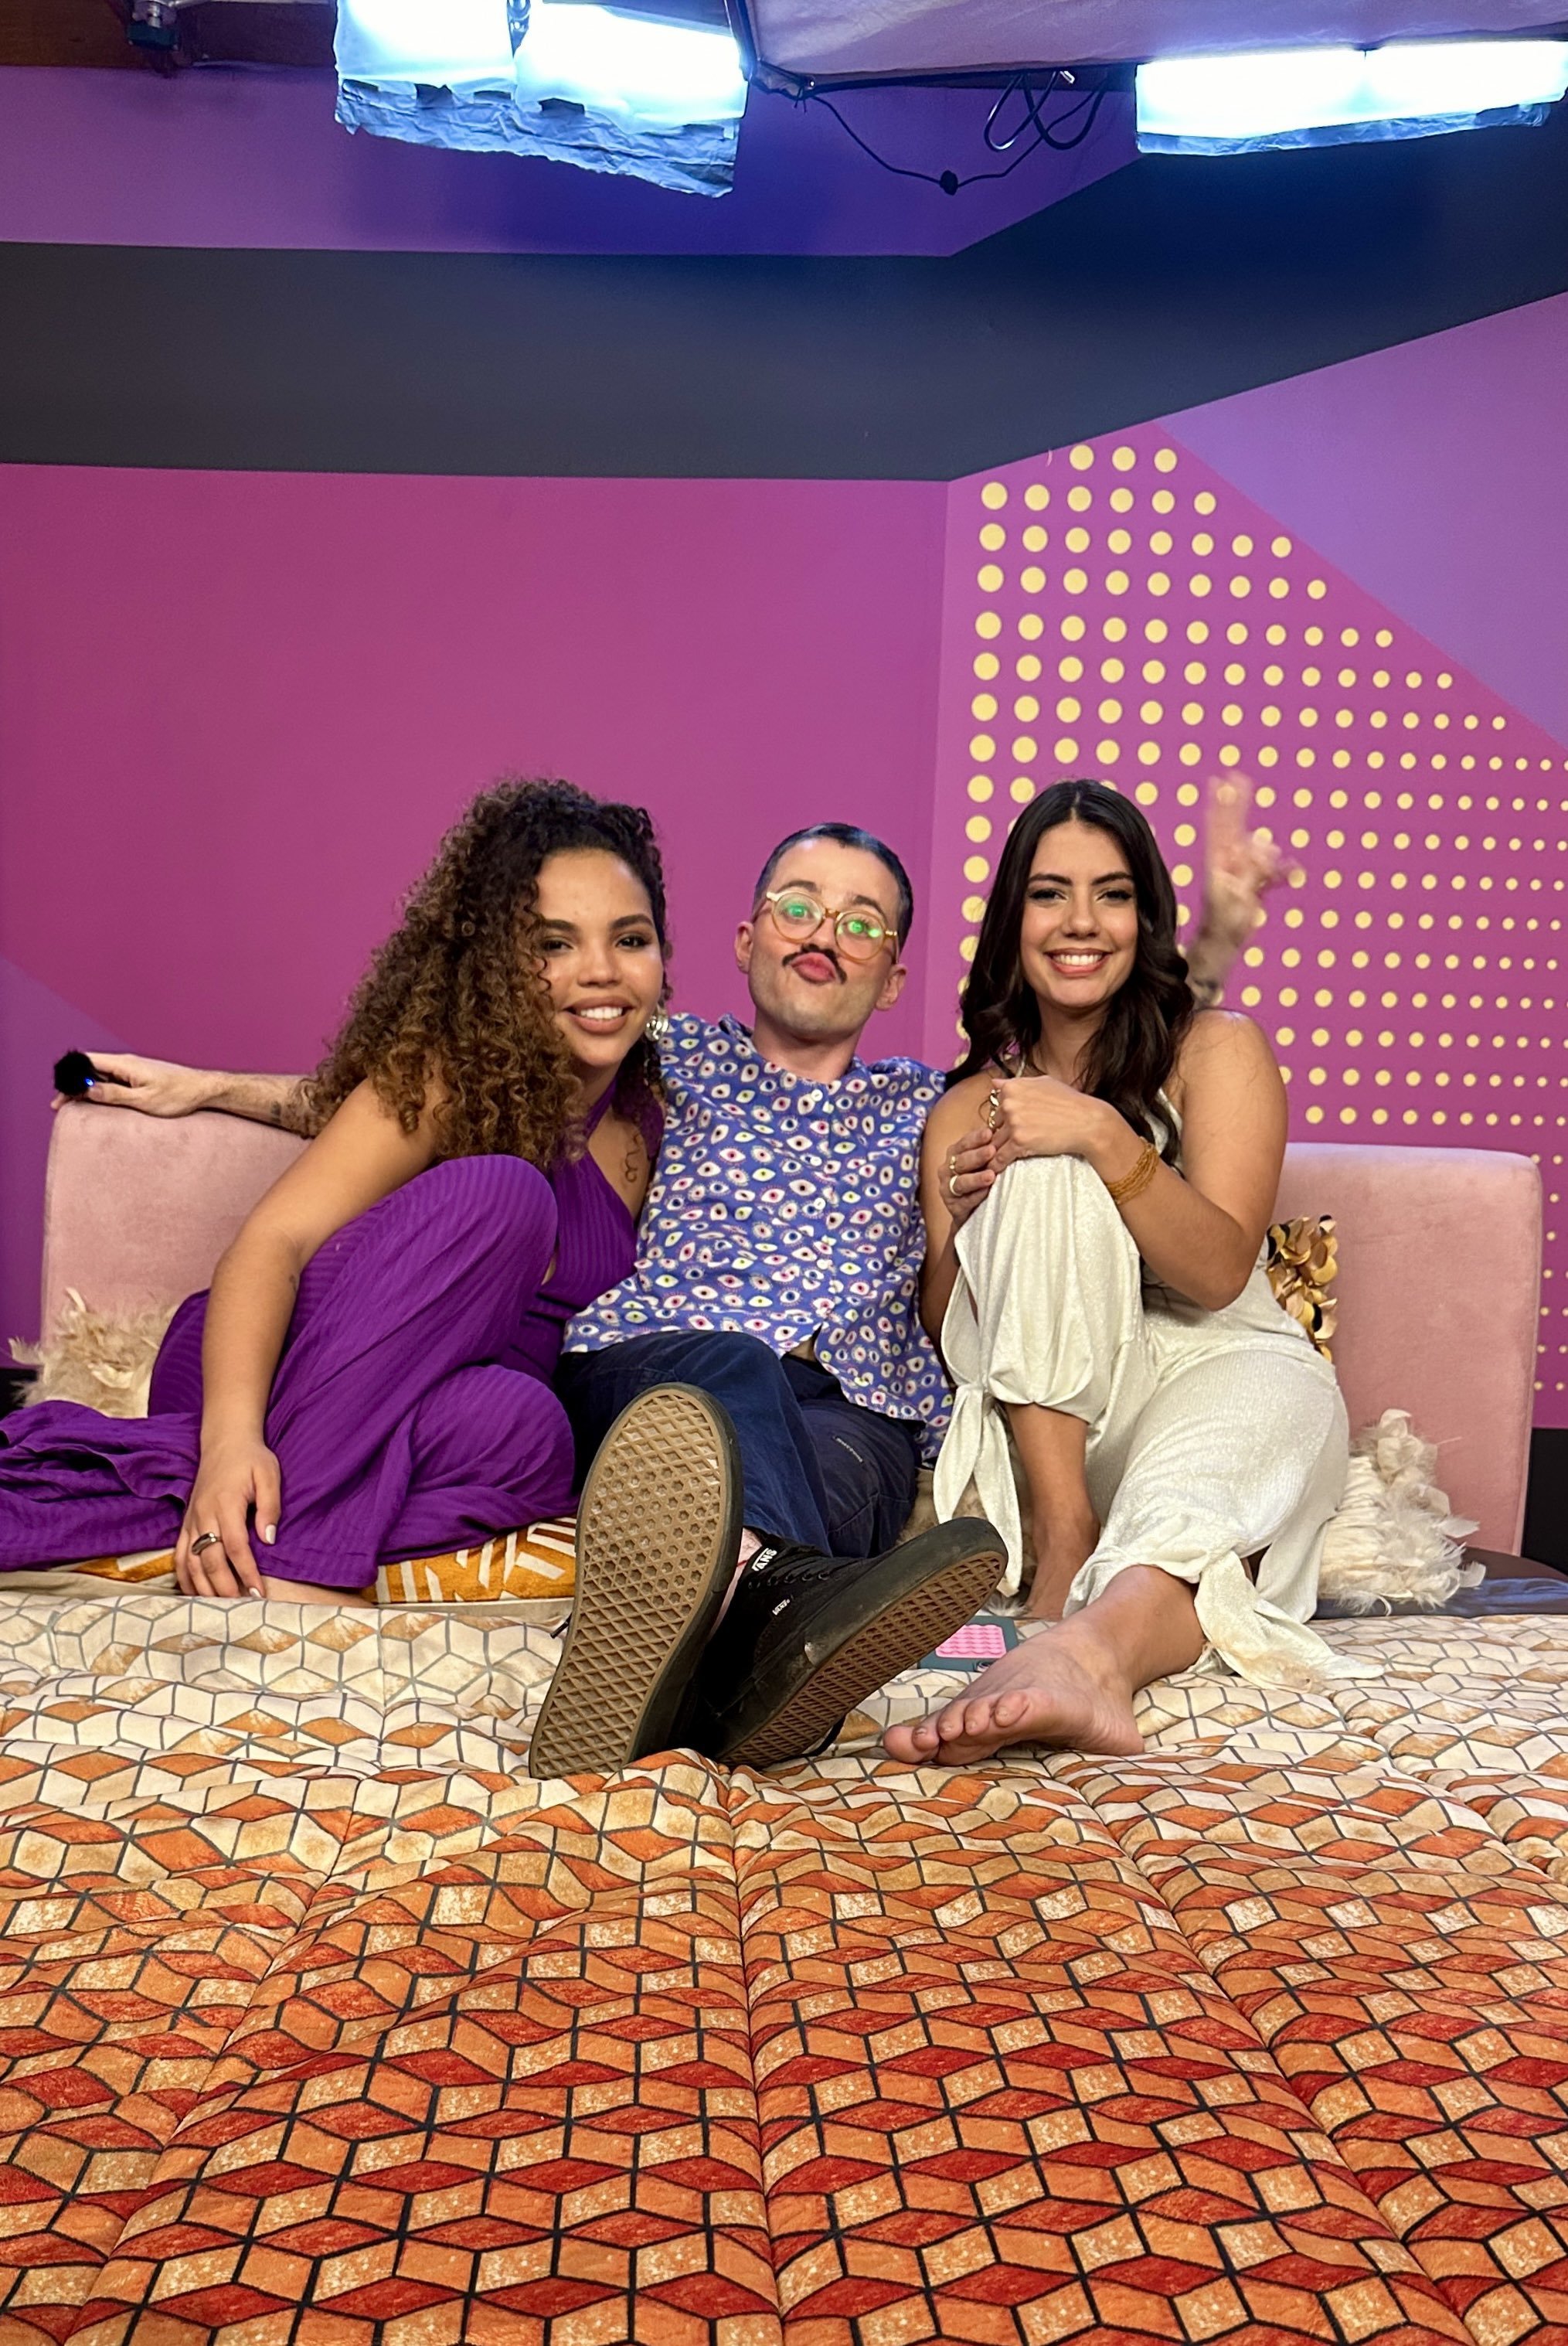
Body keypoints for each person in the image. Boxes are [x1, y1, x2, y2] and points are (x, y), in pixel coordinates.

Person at [63, 783, 1273, 1775]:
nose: (824, 931)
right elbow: (454, 1087)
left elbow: (1112, 1060)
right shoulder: (660, 1055)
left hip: (851, 1413)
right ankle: (774, 1620)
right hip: (655, 1378)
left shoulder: (937, 1104)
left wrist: (1210, 941)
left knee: (853, 1471)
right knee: (727, 1373)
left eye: (861, 922)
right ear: (744, 943)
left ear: (895, 973)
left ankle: (738, 1630)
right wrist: (217, 1089)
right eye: (797, 904)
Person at [0, 778, 672, 1602]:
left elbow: (317, 1099)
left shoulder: (651, 1113)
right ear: (495, 963)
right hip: (269, 1370)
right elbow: (271, 1242)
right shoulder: (445, 1080)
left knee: (532, 1430)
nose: (599, 972)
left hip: (442, 1415)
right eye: (553, 944)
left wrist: (219, 1087)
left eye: (629, 938)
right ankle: (293, 1562)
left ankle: (220, 1520)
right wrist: (230, 1443)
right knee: (507, 1194)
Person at [883, 778, 1350, 1771]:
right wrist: (968, 1227)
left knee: (1194, 1503)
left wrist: (1102, 1132)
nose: (1081, 922)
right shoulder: (968, 1107)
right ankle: (1066, 1542)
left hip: (1229, 1371)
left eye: (1113, 893)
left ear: (1146, 917)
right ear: (1012, 920)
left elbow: (1219, 1272)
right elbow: (951, 1333)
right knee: (1033, 1154)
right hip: (1071, 1424)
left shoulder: (1218, 1049)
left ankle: (1085, 1652)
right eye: (1049, 893)